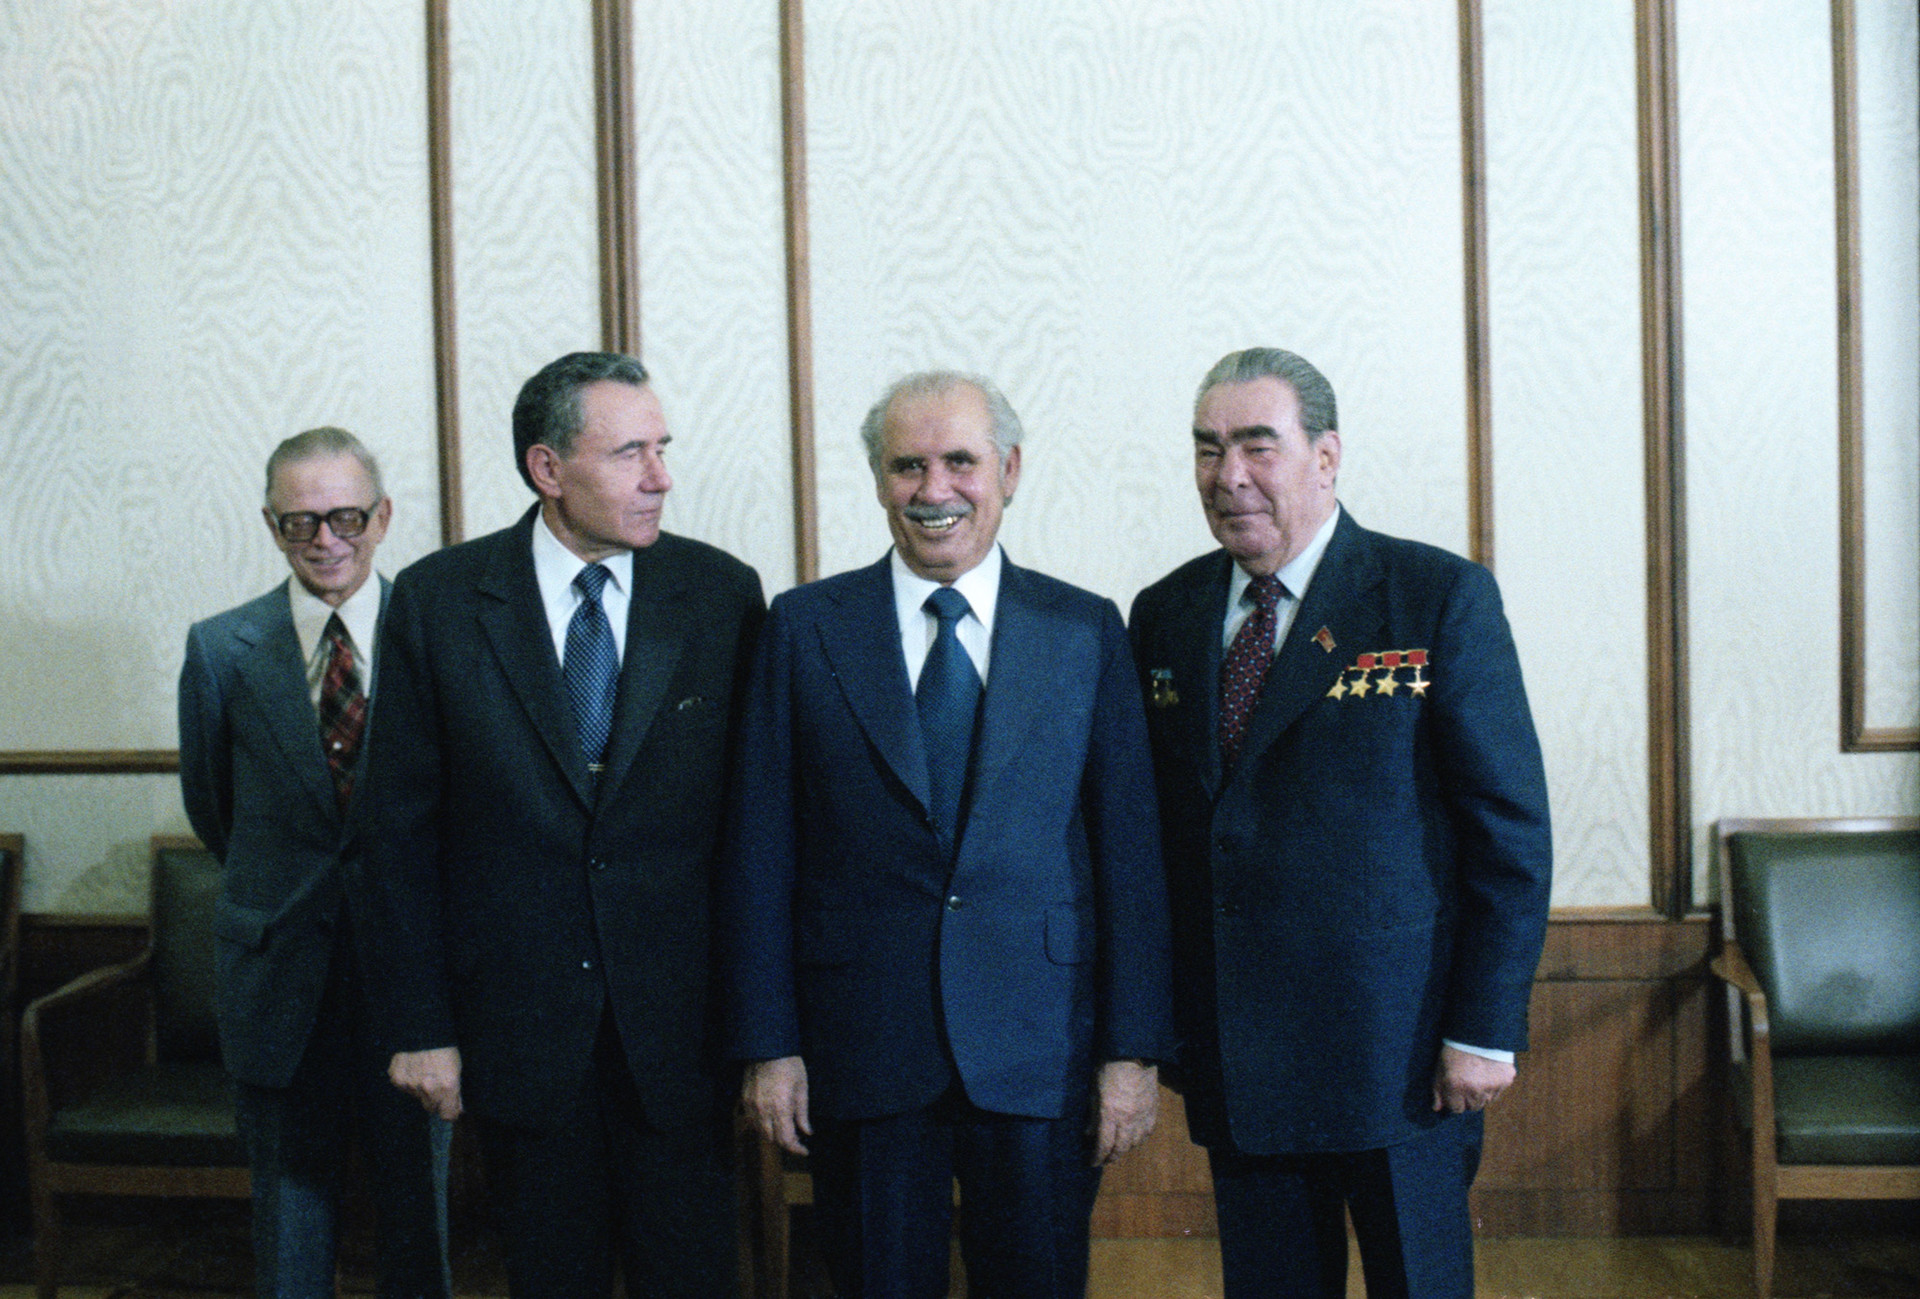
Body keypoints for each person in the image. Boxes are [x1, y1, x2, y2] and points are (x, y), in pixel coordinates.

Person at [724, 371, 1174, 1299]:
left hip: (1041, 1050)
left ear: (1007, 469)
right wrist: (770, 1046)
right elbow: (760, 851)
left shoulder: (1084, 629)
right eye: (907, 466)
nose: (934, 490)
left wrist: (1130, 1053)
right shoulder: (805, 628)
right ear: (880, 480)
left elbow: (1130, 858)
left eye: (960, 462)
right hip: (864, 1051)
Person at [1128, 348, 1552, 1299]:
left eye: (1255, 445)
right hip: (1237, 1055)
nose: (1227, 474)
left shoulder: (1434, 596)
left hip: (1398, 1058)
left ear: (1326, 457)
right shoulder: (1165, 612)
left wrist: (1485, 1029)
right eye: (1207, 448)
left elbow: (1510, 834)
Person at [353, 352, 764, 1298]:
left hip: (682, 1038)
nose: (661, 477)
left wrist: (763, 1030)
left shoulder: (719, 593)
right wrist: (422, 1026)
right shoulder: (439, 601)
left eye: (661, 449)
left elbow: (754, 834)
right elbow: (397, 837)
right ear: (548, 468)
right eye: (630, 454)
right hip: (519, 1035)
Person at [178, 426, 450, 1298]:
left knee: (420, 1222)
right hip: (279, 982)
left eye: (346, 517)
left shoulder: (438, 634)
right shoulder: (222, 649)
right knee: (290, 1231)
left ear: (383, 516)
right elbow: (215, 808)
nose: (326, 541)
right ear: (270, 524)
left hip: (411, 987)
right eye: (300, 523)